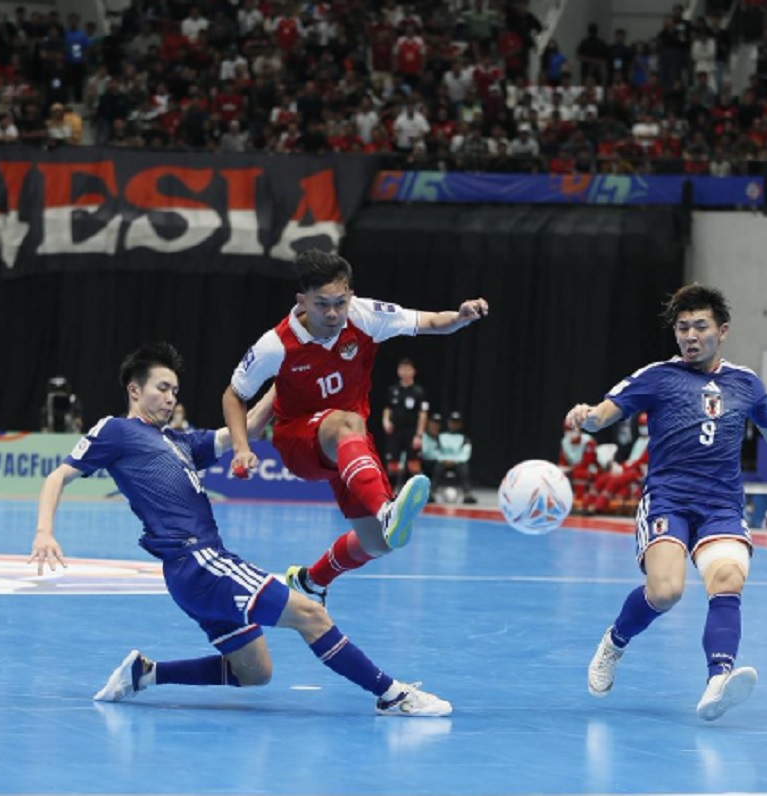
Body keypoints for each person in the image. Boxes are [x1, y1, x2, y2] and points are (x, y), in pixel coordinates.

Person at [28, 342, 451, 716]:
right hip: (199, 560)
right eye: (162, 388)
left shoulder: (179, 442)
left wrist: (281, 383)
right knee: (311, 615)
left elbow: (243, 430)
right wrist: (44, 531)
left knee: (254, 672)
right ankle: (391, 695)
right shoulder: (116, 431)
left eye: (175, 391)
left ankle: (146, 674)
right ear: (134, 390)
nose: (171, 398)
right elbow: (58, 476)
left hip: (190, 574)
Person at [564, 284, 767, 721]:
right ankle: (614, 642)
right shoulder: (658, 376)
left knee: (728, 578)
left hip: (721, 505)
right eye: (683, 328)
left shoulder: (746, 384)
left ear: (722, 331)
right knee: (666, 592)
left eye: (700, 327)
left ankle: (718, 682)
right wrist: (587, 416)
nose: (690, 336)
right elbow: (604, 413)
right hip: (668, 501)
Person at [223, 250, 489, 604]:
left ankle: (312, 580)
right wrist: (242, 447)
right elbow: (234, 394)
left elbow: (430, 322)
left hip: (351, 445)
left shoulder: (365, 316)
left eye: (340, 302)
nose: (333, 313)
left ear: (350, 293)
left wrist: (460, 316)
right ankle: (386, 509)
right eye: (322, 304)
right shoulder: (276, 345)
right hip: (299, 440)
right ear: (302, 300)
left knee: (378, 543)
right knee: (348, 422)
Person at [381, 357, 429, 490]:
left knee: (413, 465)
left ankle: (417, 493)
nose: (405, 372)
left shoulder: (418, 392)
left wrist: (419, 435)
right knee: (392, 464)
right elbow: (387, 408)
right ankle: (389, 493)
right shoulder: (393, 390)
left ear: (413, 371)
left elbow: (423, 414)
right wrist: (386, 421)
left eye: (408, 369)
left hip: (412, 431)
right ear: (398, 371)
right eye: (403, 369)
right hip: (395, 431)